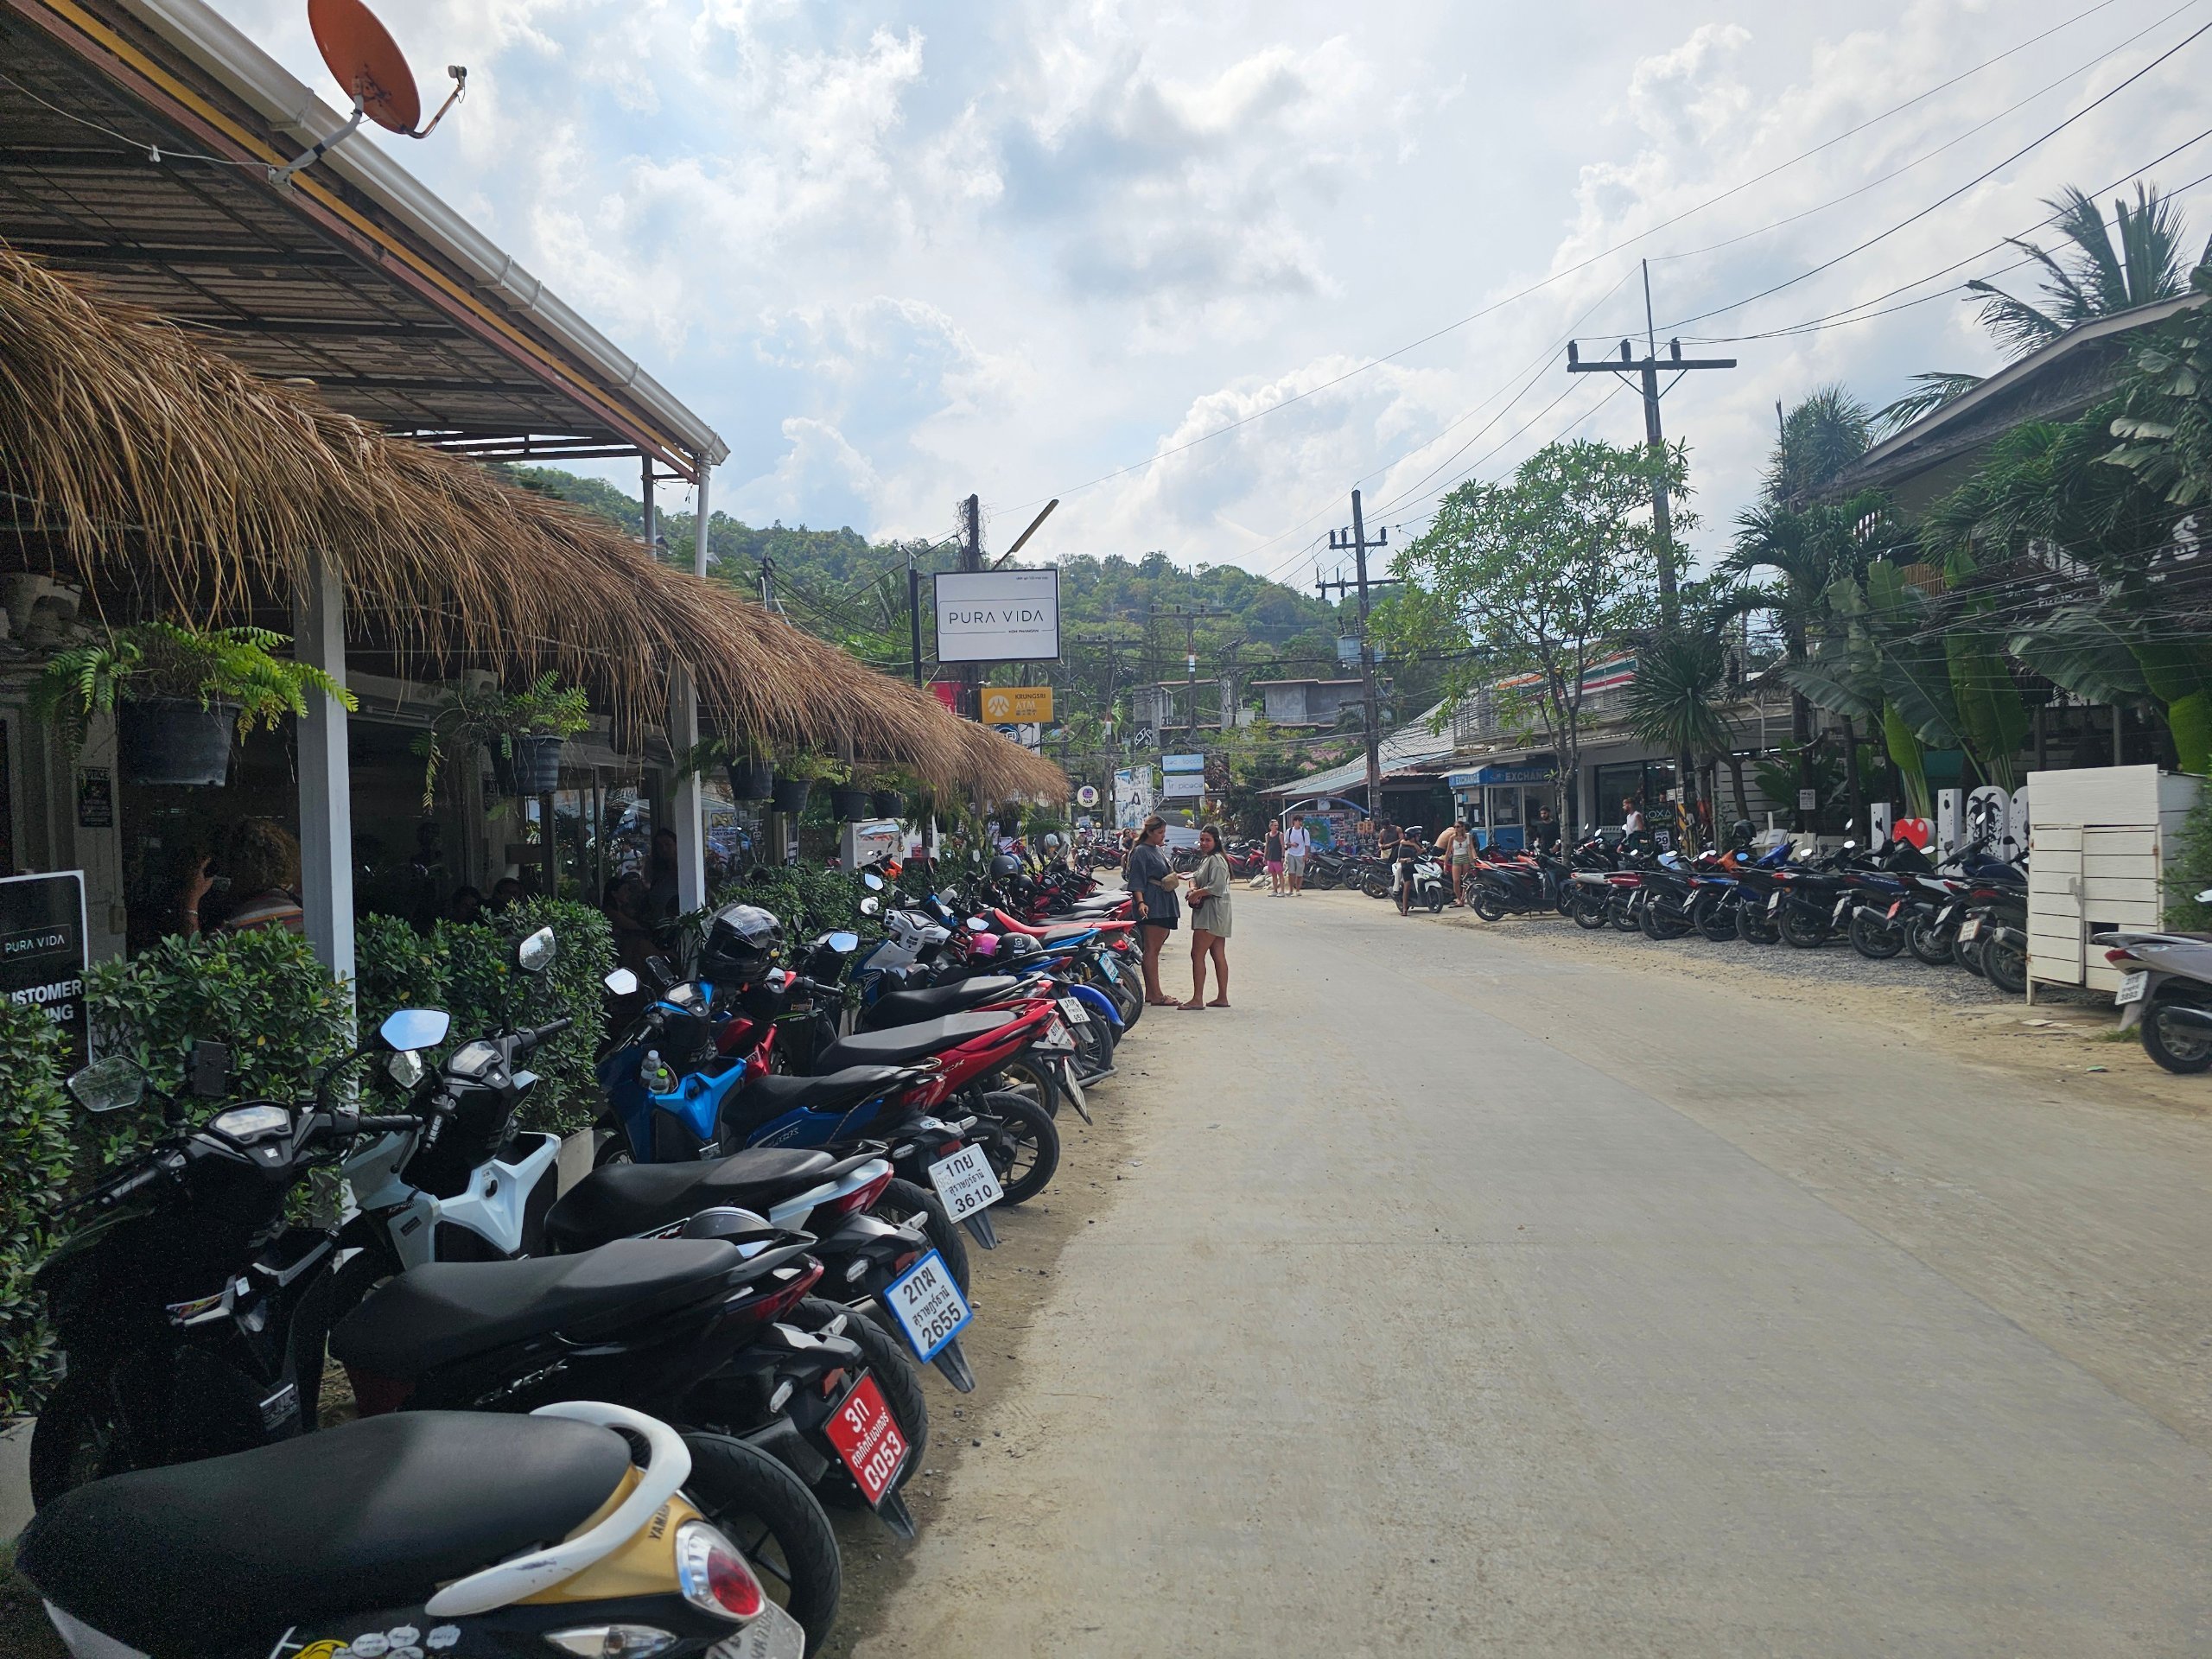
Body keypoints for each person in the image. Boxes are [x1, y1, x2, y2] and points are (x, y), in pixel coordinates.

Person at [176, 817, 304, 937]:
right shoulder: (300, 912)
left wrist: (191, 901)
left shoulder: (237, 928)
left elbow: (196, 952)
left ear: (236, 867)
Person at [1126, 816, 1181, 1007]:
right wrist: (1141, 902)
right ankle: (1157, 995)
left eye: (1164, 832)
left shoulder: (1156, 850)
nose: (1162, 836)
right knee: (1152, 949)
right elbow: (1136, 880)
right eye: (1159, 832)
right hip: (1152, 903)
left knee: (1154, 948)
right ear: (1149, 832)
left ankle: (1151, 993)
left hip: (1164, 902)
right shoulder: (1141, 851)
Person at [1179, 823, 1234, 1008]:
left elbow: (1216, 887)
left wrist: (1196, 893)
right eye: (1202, 839)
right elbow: (1195, 877)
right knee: (1217, 954)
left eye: (1207, 840)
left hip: (1211, 914)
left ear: (1216, 841)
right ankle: (1222, 997)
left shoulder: (1216, 861)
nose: (1203, 843)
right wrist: (1194, 887)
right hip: (1216, 914)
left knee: (1197, 954)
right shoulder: (1208, 859)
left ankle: (1197, 999)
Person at [646, 826, 681, 920]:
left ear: (676, 845)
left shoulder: (685, 868)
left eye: (668, 845)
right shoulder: (657, 870)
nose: (664, 849)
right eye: (660, 846)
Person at [1443, 817, 1474, 906]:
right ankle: (1458, 898)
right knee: (1456, 880)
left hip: (1465, 858)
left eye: (1458, 827)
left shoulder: (1467, 836)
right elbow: (1448, 851)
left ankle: (1463, 899)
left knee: (1465, 880)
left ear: (1462, 827)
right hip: (1456, 859)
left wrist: (1474, 858)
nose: (1456, 829)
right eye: (1455, 827)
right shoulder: (1452, 838)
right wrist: (1445, 864)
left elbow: (1471, 848)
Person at [1283, 815, 1312, 894]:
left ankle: (1298, 890)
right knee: (1291, 873)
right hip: (1291, 854)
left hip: (1301, 854)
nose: (1300, 823)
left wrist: (1305, 856)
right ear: (1294, 821)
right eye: (1299, 821)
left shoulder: (1304, 832)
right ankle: (1291, 890)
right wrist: (1292, 844)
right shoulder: (1289, 831)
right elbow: (1285, 843)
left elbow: (1307, 845)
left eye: (1301, 821)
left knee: (1299, 874)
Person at [1263, 818, 1286, 895]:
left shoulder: (1280, 834)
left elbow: (1282, 846)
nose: (1276, 827)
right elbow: (1266, 846)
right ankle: (1275, 891)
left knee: (1280, 874)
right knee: (1273, 875)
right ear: (1271, 826)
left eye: (1277, 825)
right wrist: (1265, 856)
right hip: (1270, 857)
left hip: (1277, 857)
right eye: (1275, 825)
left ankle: (1282, 891)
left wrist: (1283, 856)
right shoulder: (1267, 835)